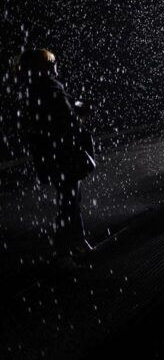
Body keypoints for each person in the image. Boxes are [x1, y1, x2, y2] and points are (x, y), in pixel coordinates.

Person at [17, 48, 94, 264]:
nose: (56, 67)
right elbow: (67, 120)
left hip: (53, 154)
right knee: (70, 201)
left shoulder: (34, 91)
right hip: (63, 153)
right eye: (52, 63)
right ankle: (69, 247)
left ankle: (72, 245)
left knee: (68, 200)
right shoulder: (50, 89)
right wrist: (80, 112)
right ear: (46, 67)